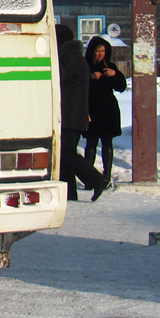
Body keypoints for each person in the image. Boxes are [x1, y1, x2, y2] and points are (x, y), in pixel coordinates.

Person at [56, 25, 109, 202]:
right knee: (64, 156)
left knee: (66, 152)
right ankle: (69, 193)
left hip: (71, 115)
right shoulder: (75, 57)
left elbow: (59, 76)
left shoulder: (70, 58)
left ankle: (97, 179)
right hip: (73, 114)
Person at [83, 35, 127, 188]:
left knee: (107, 143)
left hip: (108, 110)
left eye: (103, 51)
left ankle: (106, 176)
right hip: (92, 109)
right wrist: (90, 77)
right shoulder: (86, 66)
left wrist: (116, 75)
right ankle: (89, 178)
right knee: (91, 143)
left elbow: (121, 87)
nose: (100, 54)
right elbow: (79, 85)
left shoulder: (110, 67)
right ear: (92, 52)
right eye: (97, 51)